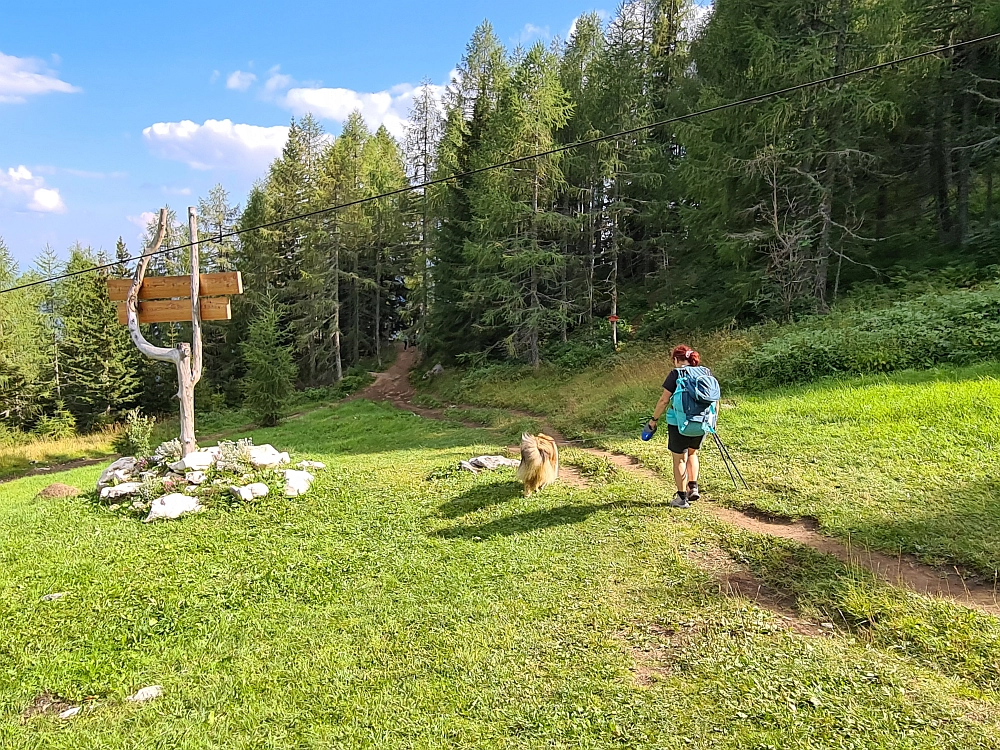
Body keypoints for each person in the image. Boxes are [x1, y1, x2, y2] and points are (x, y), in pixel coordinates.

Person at [647, 345, 710, 509]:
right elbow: (714, 399)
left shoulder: (676, 374)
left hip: (679, 423)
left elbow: (663, 400)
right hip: (702, 423)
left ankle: (681, 498)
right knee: (692, 453)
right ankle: (693, 487)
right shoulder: (705, 372)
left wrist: (653, 420)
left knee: (679, 459)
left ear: (676, 359)